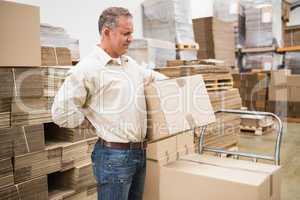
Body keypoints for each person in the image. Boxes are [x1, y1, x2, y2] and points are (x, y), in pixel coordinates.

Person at [51, 6, 167, 200]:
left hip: (139, 153)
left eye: (132, 33)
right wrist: (89, 122)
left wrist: (182, 86)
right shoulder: (88, 68)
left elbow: (151, 77)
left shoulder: (129, 64)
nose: (131, 38)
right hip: (114, 157)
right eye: (126, 33)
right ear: (106, 32)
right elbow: (60, 112)